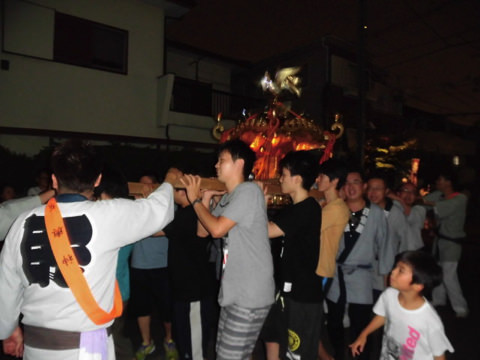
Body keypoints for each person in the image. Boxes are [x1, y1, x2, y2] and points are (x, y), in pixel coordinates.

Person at [0, 139, 178, 360]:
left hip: (36, 348)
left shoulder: (21, 223)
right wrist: (169, 182)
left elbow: (6, 287)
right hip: (88, 349)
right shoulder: (109, 215)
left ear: (54, 180)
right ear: (97, 180)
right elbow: (159, 211)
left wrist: (7, 329)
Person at [181, 139, 275, 360]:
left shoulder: (248, 191)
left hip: (250, 294)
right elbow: (202, 232)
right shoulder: (228, 198)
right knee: (227, 353)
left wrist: (194, 200)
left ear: (239, 163)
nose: (216, 165)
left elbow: (216, 230)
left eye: (221, 160)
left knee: (228, 356)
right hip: (234, 291)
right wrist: (204, 199)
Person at [326, 169, 395, 360]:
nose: (351, 187)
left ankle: (361, 357)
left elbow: (386, 245)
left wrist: (386, 277)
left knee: (361, 323)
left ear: (363, 186)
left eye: (355, 182)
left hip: (362, 277)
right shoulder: (336, 209)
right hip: (336, 275)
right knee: (333, 321)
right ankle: (339, 352)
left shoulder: (376, 214)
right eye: (347, 183)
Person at [261, 151, 323, 360]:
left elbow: (268, 230)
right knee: (283, 345)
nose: (280, 179)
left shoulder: (307, 208)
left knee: (298, 352)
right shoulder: (295, 209)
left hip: (303, 293)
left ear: (297, 179)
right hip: (289, 289)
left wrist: (260, 204)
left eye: (284, 175)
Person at [350, 250, 454, 360]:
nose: (393, 272)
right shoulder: (389, 295)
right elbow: (383, 315)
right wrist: (364, 334)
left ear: (418, 285)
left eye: (401, 270)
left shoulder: (430, 321)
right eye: (395, 267)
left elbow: (439, 356)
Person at [162, 184, 216, 360]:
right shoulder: (186, 213)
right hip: (185, 290)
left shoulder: (192, 213)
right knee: (187, 344)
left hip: (194, 292)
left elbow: (156, 230)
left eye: (173, 188)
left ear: (183, 191)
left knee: (194, 349)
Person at [129, 173, 178, 360]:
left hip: (163, 264)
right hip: (139, 265)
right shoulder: (132, 206)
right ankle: (146, 342)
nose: (145, 189)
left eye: (150, 185)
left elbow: (156, 229)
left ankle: (169, 340)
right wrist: (138, 203)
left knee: (167, 307)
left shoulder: (167, 205)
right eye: (141, 185)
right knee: (142, 308)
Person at [94, 165, 134, 359]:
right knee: (115, 336)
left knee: (109, 339)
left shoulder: (103, 215)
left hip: (106, 290)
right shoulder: (129, 213)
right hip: (122, 288)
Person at [314, 158, 350, 360]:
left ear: (334, 181)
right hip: (319, 268)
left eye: (322, 176)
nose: (318, 179)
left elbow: (308, 229)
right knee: (312, 318)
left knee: (313, 318)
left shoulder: (335, 208)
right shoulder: (329, 205)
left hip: (321, 270)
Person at [423, 171, 469, 318]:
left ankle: (461, 307)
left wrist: (418, 200)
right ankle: (438, 299)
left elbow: (437, 206)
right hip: (440, 241)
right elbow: (424, 202)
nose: (437, 182)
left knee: (449, 275)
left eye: (440, 179)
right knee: (439, 271)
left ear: (448, 182)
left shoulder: (460, 198)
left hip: (452, 242)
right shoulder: (440, 195)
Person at [367, 174, 409, 299]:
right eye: (370, 188)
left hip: (387, 270)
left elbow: (405, 242)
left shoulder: (395, 213)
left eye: (378, 188)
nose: (373, 192)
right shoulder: (363, 211)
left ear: (386, 191)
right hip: (366, 271)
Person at [392, 182, 426, 251]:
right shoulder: (392, 207)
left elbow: (410, 214)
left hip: (415, 251)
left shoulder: (420, 210)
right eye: (406, 191)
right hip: (395, 252)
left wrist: (398, 199)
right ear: (398, 193)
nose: (409, 194)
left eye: (413, 192)